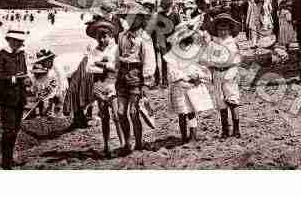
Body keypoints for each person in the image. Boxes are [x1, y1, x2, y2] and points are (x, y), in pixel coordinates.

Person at [116, 10, 156, 156]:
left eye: (135, 18)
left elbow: (149, 61)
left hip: (136, 76)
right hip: (122, 76)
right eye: (129, 17)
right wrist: (115, 74)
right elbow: (117, 57)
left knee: (133, 112)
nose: (131, 20)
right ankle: (127, 142)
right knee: (120, 112)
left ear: (140, 19)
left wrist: (145, 81)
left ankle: (138, 143)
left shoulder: (144, 38)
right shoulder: (122, 36)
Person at [165, 26, 212, 144]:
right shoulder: (173, 54)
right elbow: (172, 69)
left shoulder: (195, 50)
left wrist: (197, 76)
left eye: (187, 36)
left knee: (191, 111)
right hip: (180, 85)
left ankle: (193, 135)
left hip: (192, 85)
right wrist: (183, 78)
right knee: (182, 112)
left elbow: (202, 65)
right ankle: (183, 136)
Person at [0, 28, 30, 169]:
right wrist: (14, 78)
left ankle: (9, 159)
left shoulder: (21, 55)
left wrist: (27, 79)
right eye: (18, 41)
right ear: (10, 41)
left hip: (19, 97)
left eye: (21, 42)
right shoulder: (0, 55)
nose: (20, 44)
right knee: (8, 130)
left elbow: (24, 72)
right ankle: (6, 161)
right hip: (6, 98)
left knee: (15, 129)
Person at [85, 19, 124, 157]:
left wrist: (100, 64)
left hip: (113, 84)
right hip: (99, 86)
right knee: (104, 117)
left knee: (117, 115)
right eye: (99, 37)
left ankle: (123, 143)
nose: (101, 39)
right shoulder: (94, 50)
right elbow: (88, 68)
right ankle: (107, 145)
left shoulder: (115, 49)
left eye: (104, 36)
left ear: (110, 36)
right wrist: (104, 66)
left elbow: (116, 67)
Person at [204, 14, 242, 139]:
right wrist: (211, 71)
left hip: (229, 73)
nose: (223, 32)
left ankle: (236, 128)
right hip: (217, 74)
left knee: (233, 100)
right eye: (220, 29)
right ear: (216, 30)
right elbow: (208, 59)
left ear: (230, 30)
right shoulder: (213, 44)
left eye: (225, 29)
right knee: (221, 102)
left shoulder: (232, 43)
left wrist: (232, 72)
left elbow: (236, 60)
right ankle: (225, 129)